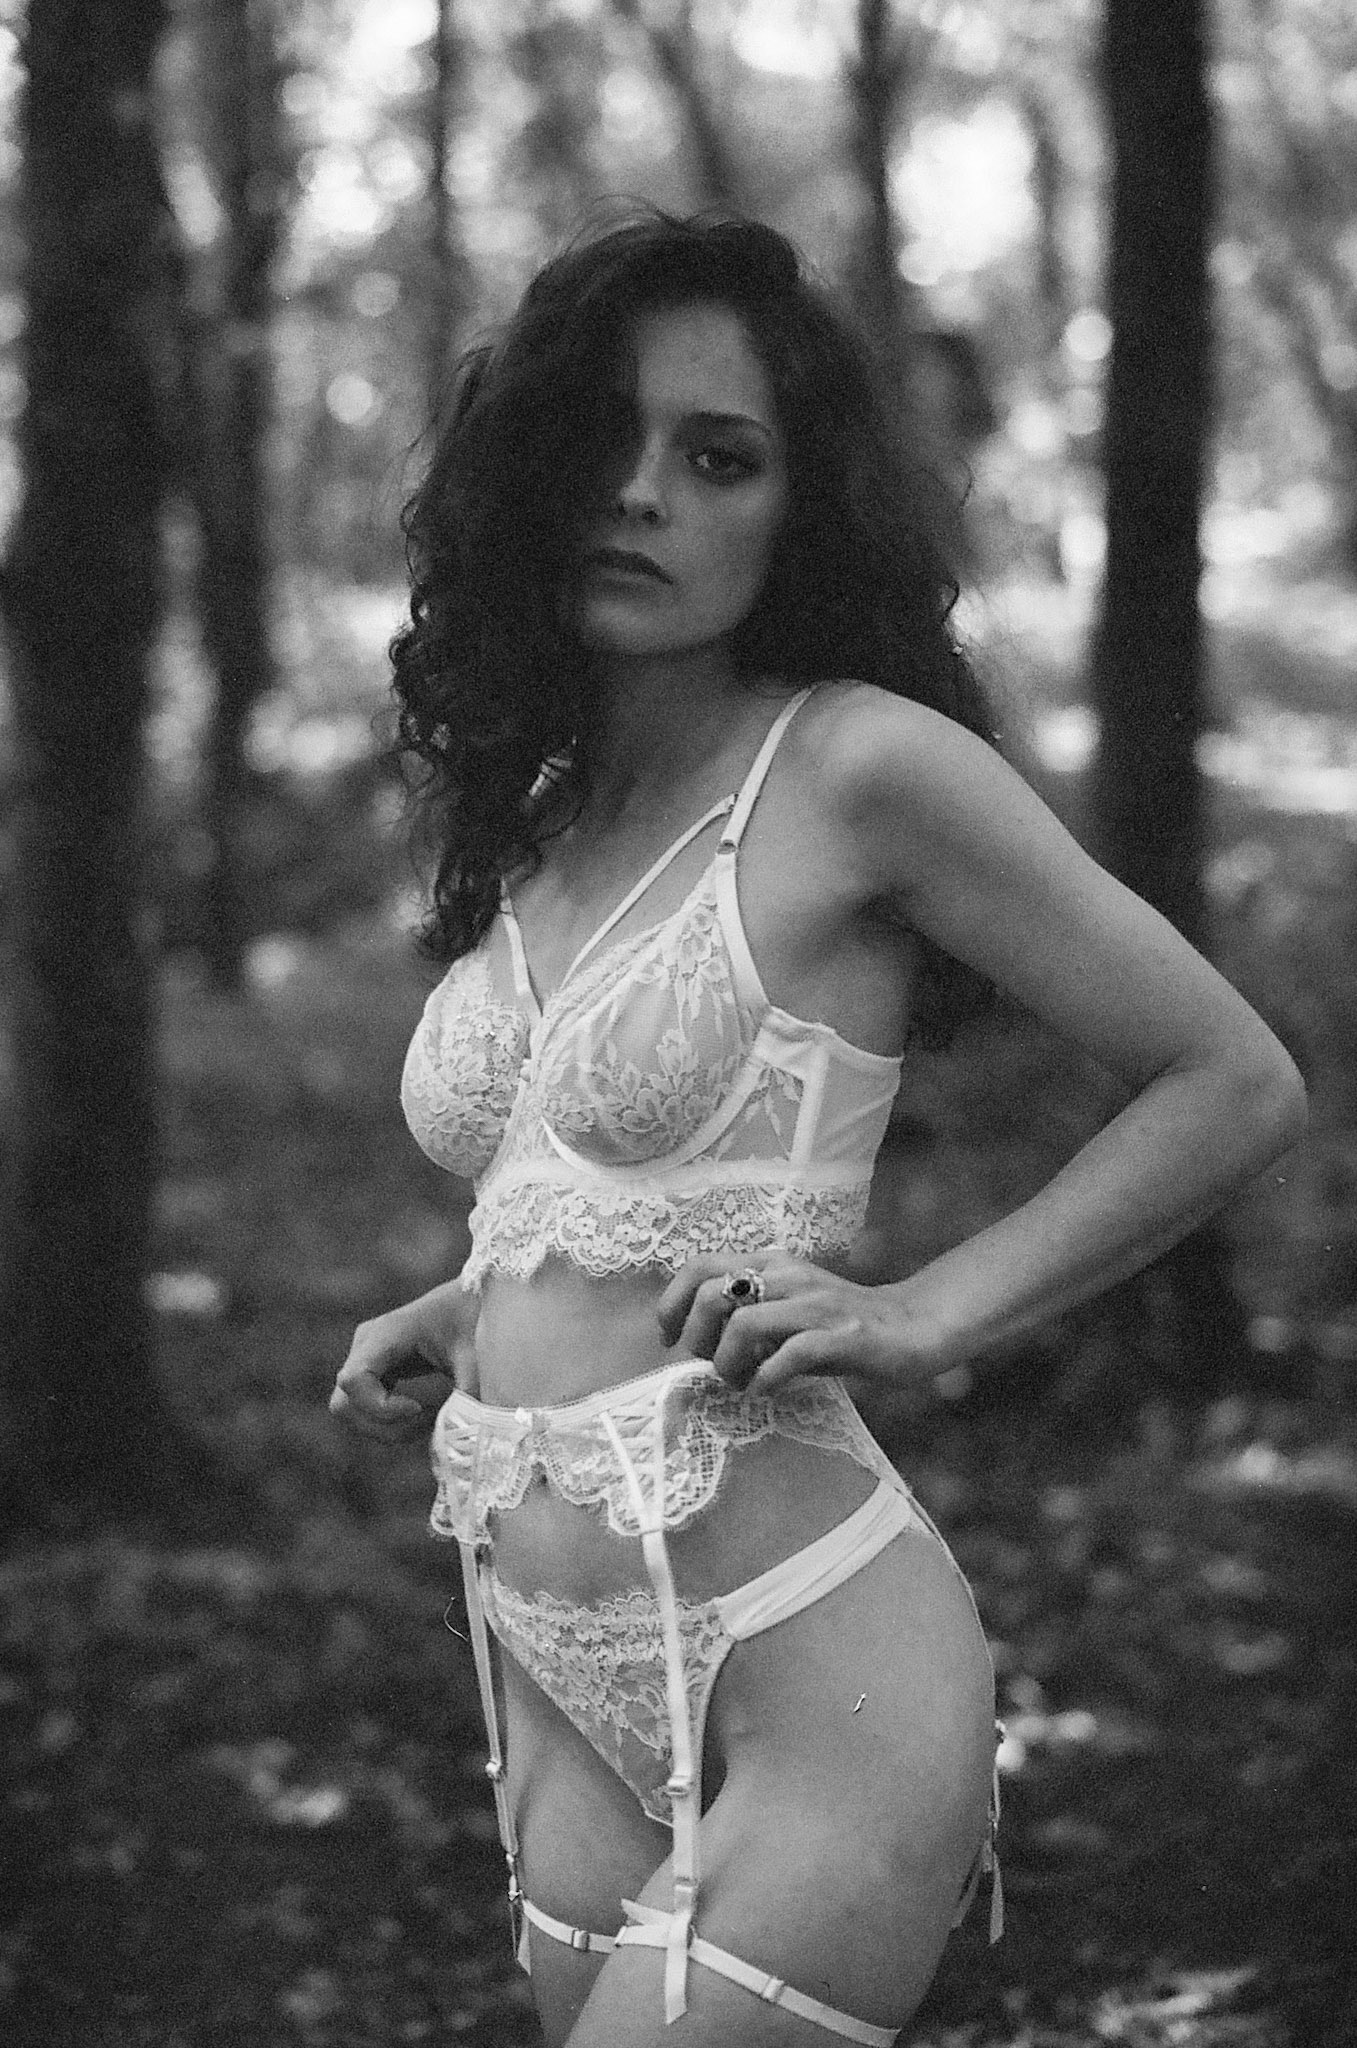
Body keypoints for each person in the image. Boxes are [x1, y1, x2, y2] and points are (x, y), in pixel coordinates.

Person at [329, 209, 1305, 2048]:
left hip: (811, 1648)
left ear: (800, 512)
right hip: (546, 1660)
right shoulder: (539, 808)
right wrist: (470, 1311)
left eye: (718, 458)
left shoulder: (859, 765)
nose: (641, 492)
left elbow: (1230, 1077)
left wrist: (929, 1311)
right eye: (603, 440)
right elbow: (605, 1187)